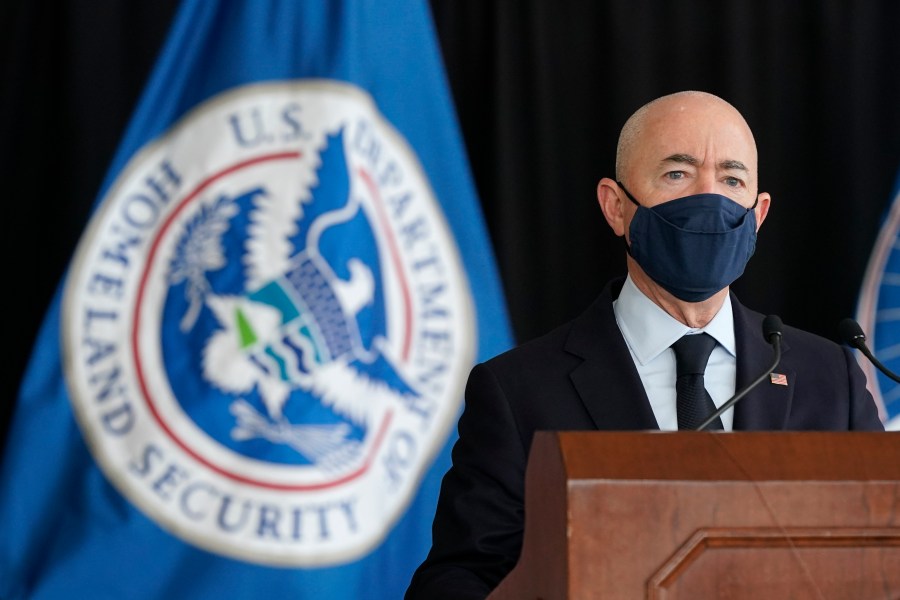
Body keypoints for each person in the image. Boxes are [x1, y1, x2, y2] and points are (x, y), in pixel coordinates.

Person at [404, 91, 885, 599]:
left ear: (759, 213)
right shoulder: (517, 391)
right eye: (678, 174)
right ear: (616, 207)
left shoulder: (830, 378)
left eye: (732, 179)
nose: (710, 199)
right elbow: (457, 581)